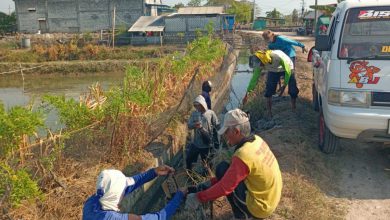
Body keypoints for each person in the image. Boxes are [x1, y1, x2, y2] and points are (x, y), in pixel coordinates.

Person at [185, 109, 282, 219]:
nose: (225, 136)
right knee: (223, 169)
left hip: (261, 207)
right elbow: (228, 176)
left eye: (226, 132)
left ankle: (243, 216)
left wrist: (198, 197)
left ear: (236, 131)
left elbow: (224, 187)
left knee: (223, 171)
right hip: (270, 197)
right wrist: (200, 187)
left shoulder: (243, 155)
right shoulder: (256, 140)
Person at [83, 165, 186, 220]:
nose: (125, 189)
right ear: (116, 195)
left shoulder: (92, 202)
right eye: (122, 189)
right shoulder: (111, 218)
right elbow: (159, 217)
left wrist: (154, 172)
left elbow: (130, 185)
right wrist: (179, 196)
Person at [252, 49, 297, 118]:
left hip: (287, 67)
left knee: (293, 88)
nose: (260, 67)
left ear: (264, 62)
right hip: (273, 69)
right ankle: (269, 113)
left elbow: (288, 71)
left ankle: (294, 108)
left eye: (261, 65)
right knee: (269, 90)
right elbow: (254, 79)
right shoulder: (261, 60)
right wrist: (248, 92)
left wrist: (284, 86)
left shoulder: (277, 57)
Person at [186, 95, 220, 170]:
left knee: (207, 163)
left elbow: (217, 125)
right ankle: (190, 175)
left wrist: (216, 141)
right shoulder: (194, 114)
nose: (197, 107)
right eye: (195, 106)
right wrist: (195, 125)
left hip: (206, 144)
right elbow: (189, 126)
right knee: (189, 159)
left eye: (198, 105)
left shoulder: (211, 113)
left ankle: (207, 176)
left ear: (202, 105)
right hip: (196, 143)